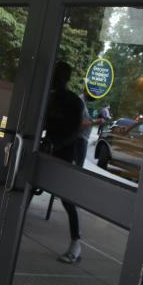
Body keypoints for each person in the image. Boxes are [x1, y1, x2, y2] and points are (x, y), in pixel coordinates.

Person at [43, 61, 105, 263]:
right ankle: (75, 243)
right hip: (52, 150)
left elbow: (74, 131)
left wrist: (56, 145)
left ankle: (75, 243)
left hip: (64, 154)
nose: (55, 78)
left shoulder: (70, 102)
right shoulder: (52, 98)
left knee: (67, 199)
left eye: (58, 75)